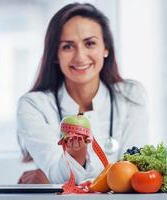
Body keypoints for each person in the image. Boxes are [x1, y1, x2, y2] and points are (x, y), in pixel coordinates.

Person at [17, 2, 149, 184]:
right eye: (67, 46)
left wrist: (47, 177)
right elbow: (59, 175)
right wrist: (75, 155)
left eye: (90, 43)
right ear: (55, 54)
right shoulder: (34, 106)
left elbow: (134, 173)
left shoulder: (131, 96)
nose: (80, 56)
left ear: (106, 48)